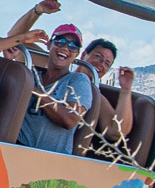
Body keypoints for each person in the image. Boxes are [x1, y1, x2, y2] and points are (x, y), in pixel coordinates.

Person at [18, 25, 95, 155]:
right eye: (60, 41)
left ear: (76, 54)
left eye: (73, 46)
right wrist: (38, 10)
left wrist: (35, 91)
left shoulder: (78, 80)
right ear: (49, 45)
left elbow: (70, 120)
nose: (65, 48)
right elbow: (14, 37)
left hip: (52, 158)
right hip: (17, 149)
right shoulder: (32, 75)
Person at [75, 37, 136, 156]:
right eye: (98, 56)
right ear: (83, 55)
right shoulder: (60, 77)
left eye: (107, 63)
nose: (101, 64)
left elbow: (116, 131)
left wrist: (126, 89)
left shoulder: (95, 96)